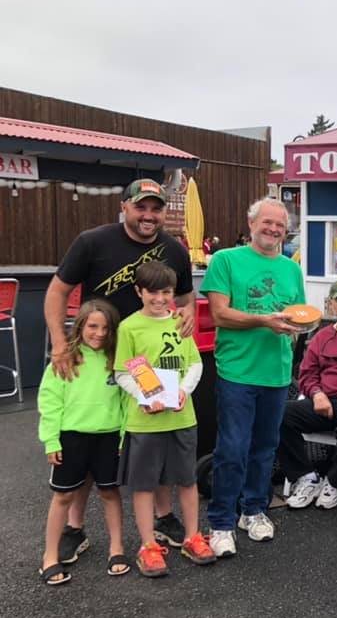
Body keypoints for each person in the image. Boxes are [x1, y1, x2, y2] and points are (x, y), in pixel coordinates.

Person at [43, 178, 196, 565]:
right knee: (88, 436)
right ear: (124, 206)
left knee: (153, 439)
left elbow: (185, 297)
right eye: (141, 207)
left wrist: (189, 313)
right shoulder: (93, 241)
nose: (149, 215)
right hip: (101, 356)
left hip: (152, 363)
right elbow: (57, 291)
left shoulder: (175, 250)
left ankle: (164, 517)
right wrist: (60, 343)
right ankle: (75, 527)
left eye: (156, 208)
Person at [202, 197, 305, 557]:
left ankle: (254, 511)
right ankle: (221, 523)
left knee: (264, 449)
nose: (273, 229)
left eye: (280, 225)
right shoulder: (226, 260)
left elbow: (297, 316)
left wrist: (297, 328)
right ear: (251, 224)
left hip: (276, 373)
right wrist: (264, 320)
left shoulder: (291, 269)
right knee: (232, 449)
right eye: (267, 222)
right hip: (238, 371)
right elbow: (219, 314)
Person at [115, 262, 216, 577]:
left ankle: (192, 537)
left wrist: (183, 391)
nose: (160, 299)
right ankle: (148, 545)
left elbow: (195, 365)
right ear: (139, 292)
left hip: (181, 419)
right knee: (144, 485)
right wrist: (144, 396)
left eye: (167, 292)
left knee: (187, 480)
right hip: (144, 422)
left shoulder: (180, 322)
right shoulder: (129, 327)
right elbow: (122, 373)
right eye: (153, 292)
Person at [37, 300, 128, 585]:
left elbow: (126, 402)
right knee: (63, 496)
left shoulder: (117, 361)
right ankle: (50, 556)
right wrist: (51, 440)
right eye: (93, 326)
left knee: (110, 492)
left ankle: (117, 549)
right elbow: (50, 402)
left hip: (109, 437)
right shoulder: (65, 359)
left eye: (105, 328)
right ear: (80, 326)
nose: (99, 333)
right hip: (71, 437)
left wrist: (123, 436)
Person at [277, 279, 337, 510]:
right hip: (324, 401)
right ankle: (306, 477)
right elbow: (307, 374)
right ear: (331, 306)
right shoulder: (322, 336)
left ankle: (334, 483)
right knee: (277, 414)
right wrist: (317, 393)